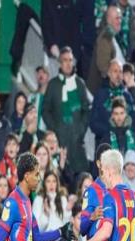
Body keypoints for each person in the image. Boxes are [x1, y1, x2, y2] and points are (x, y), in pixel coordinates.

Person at [43, 47, 90, 175]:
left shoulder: (79, 84)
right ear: (60, 63)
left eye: (70, 60)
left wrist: (81, 129)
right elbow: (45, 110)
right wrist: (55, 129)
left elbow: (86, 110)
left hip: (77, 142)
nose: (68, 63)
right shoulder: (53, 85)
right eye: (65, 60)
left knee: (81, 177)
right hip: (59, 142)